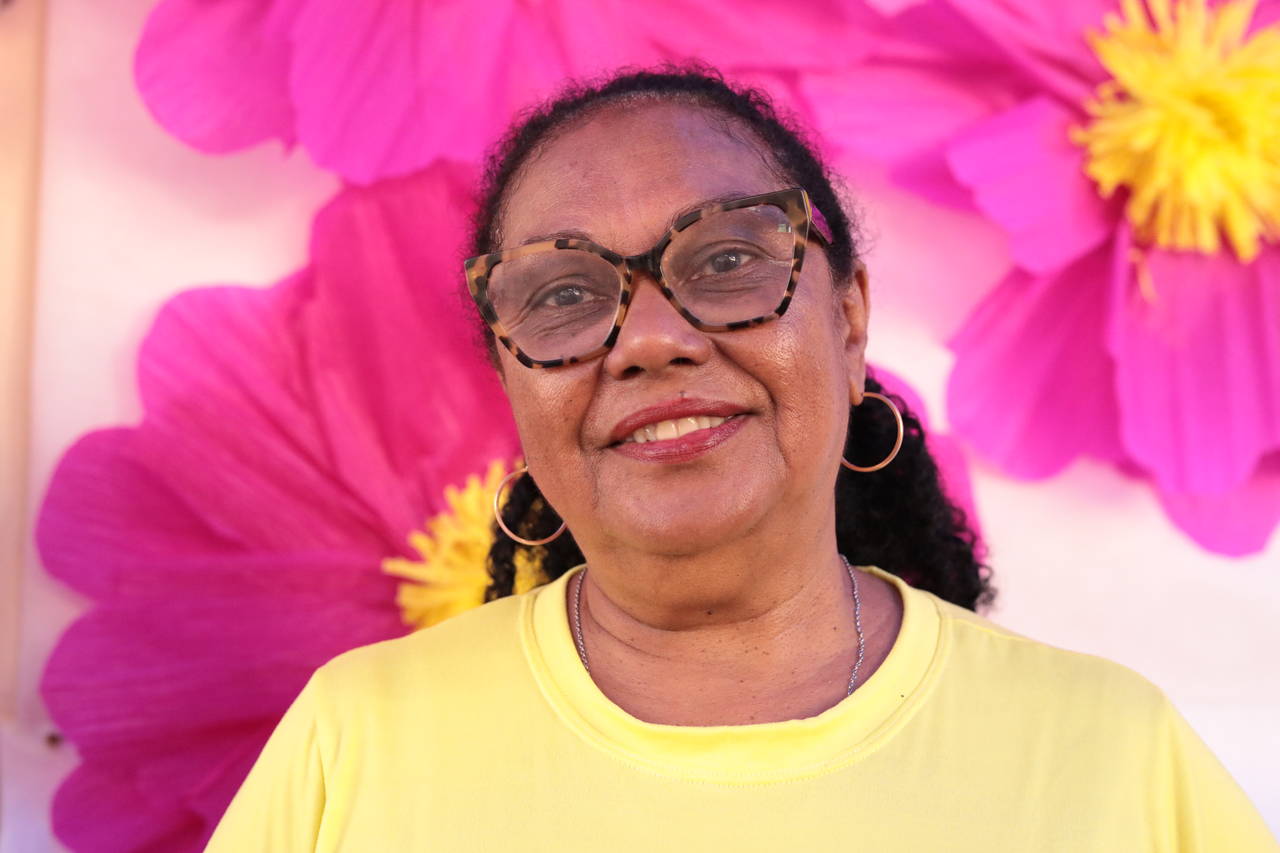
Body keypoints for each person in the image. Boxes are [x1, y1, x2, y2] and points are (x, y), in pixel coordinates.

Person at [203, 65, 1278, 851]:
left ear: (848, 325)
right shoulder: (358, 740)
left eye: (725, 260)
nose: (650, 337)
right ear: (513, 385)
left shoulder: (1107, 753)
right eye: (564, 294)